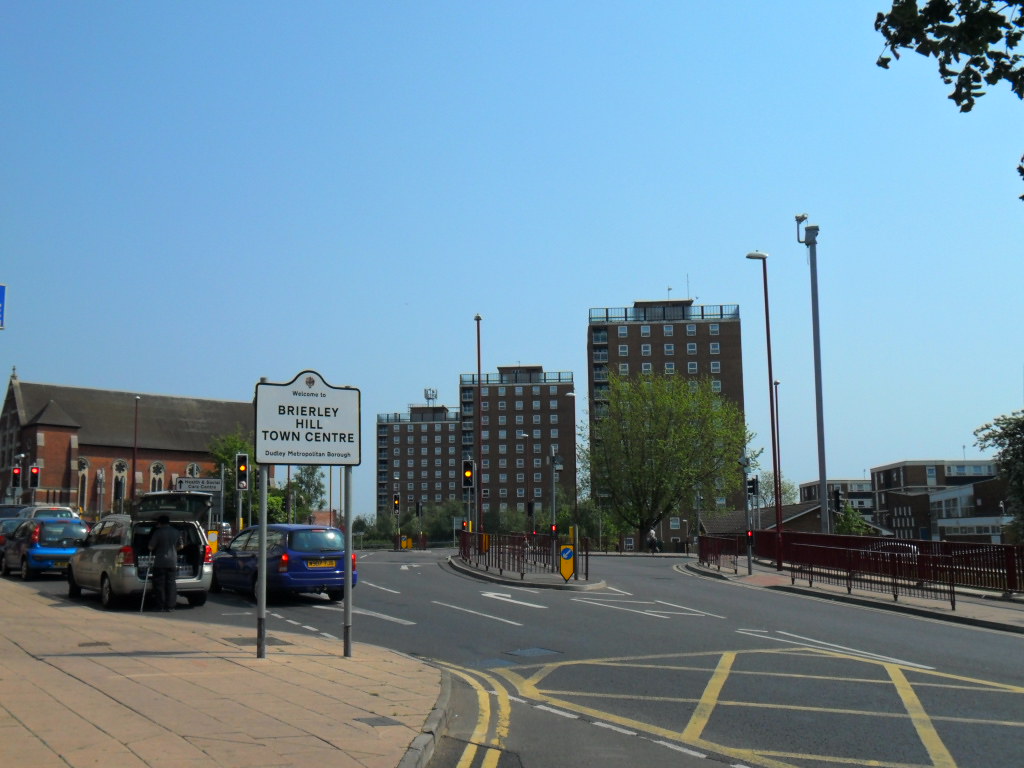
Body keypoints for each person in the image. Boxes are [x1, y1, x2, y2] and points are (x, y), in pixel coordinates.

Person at [148, 514, 181, 612]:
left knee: (160, 584)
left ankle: (160, 605)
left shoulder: (158, 532)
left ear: (160, 523)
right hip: (173, 561)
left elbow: (150, 547)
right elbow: (181, 546)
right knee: (171, 583)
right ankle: (170, 606)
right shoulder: (176, 532)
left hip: (160, 561)